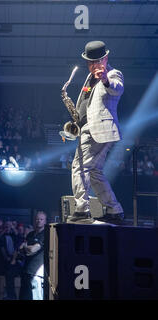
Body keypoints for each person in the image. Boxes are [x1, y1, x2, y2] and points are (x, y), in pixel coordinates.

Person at [68, 41, 124, 224]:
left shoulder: (113, 74)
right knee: (94, 173)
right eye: (89, 62)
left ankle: (81, 209)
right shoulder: (89, 78)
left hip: (97, 131)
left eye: (96, 61)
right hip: (86, 129)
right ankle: (114, 209)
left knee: (79, 167)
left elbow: (117, 88)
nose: (92, 65)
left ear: (105, 58)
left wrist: (105, 79)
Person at [19, 211, 46, 300]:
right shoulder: (30, 234)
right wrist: (27, 248)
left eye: (41, 219)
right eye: (37, 219)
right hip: (26, 270)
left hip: (36, 272)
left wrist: (26, 247)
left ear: (45, 221)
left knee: (36, 297)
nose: (39, 221)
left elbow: (33, 249)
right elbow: (20, 249)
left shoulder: (45, 234)